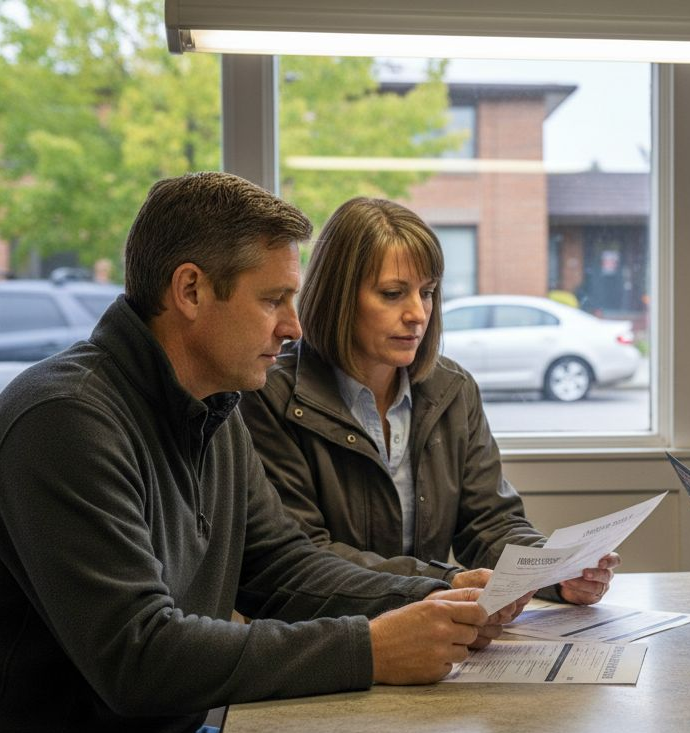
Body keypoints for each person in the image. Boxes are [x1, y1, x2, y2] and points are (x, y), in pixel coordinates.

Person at [0, 173, 514, 733]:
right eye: (272, 300)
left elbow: (281, 566)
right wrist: (369, 648)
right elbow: (139, 657)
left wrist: (435, 596)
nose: (293, 326)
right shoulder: (65, 420)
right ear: (190, 290)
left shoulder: (214, 409)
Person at [238, 197, 618, 608]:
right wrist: (443, 582)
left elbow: (488, 523)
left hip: (426, 629)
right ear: (337, 296)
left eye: (428, 292)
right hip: (327, 639)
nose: (418, 313)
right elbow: (301, 555)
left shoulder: (452, 389)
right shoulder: (269, 395)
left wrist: (553, 571)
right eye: (392, 293)